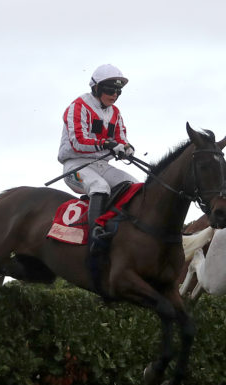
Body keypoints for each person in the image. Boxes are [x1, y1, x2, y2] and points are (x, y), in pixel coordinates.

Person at [58, 63, 138, 248]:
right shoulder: (78, 106)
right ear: (96, 88)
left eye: (118, 91)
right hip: (75, 165)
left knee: (134, 186)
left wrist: (126, 149)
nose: (114, 95)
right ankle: (96, 235)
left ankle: (123, 229)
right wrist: (107, 144)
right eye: (110, 90)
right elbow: (77, 142)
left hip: (102, 165)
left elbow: (121, 138)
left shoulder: (115, 113)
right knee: (99, 187)